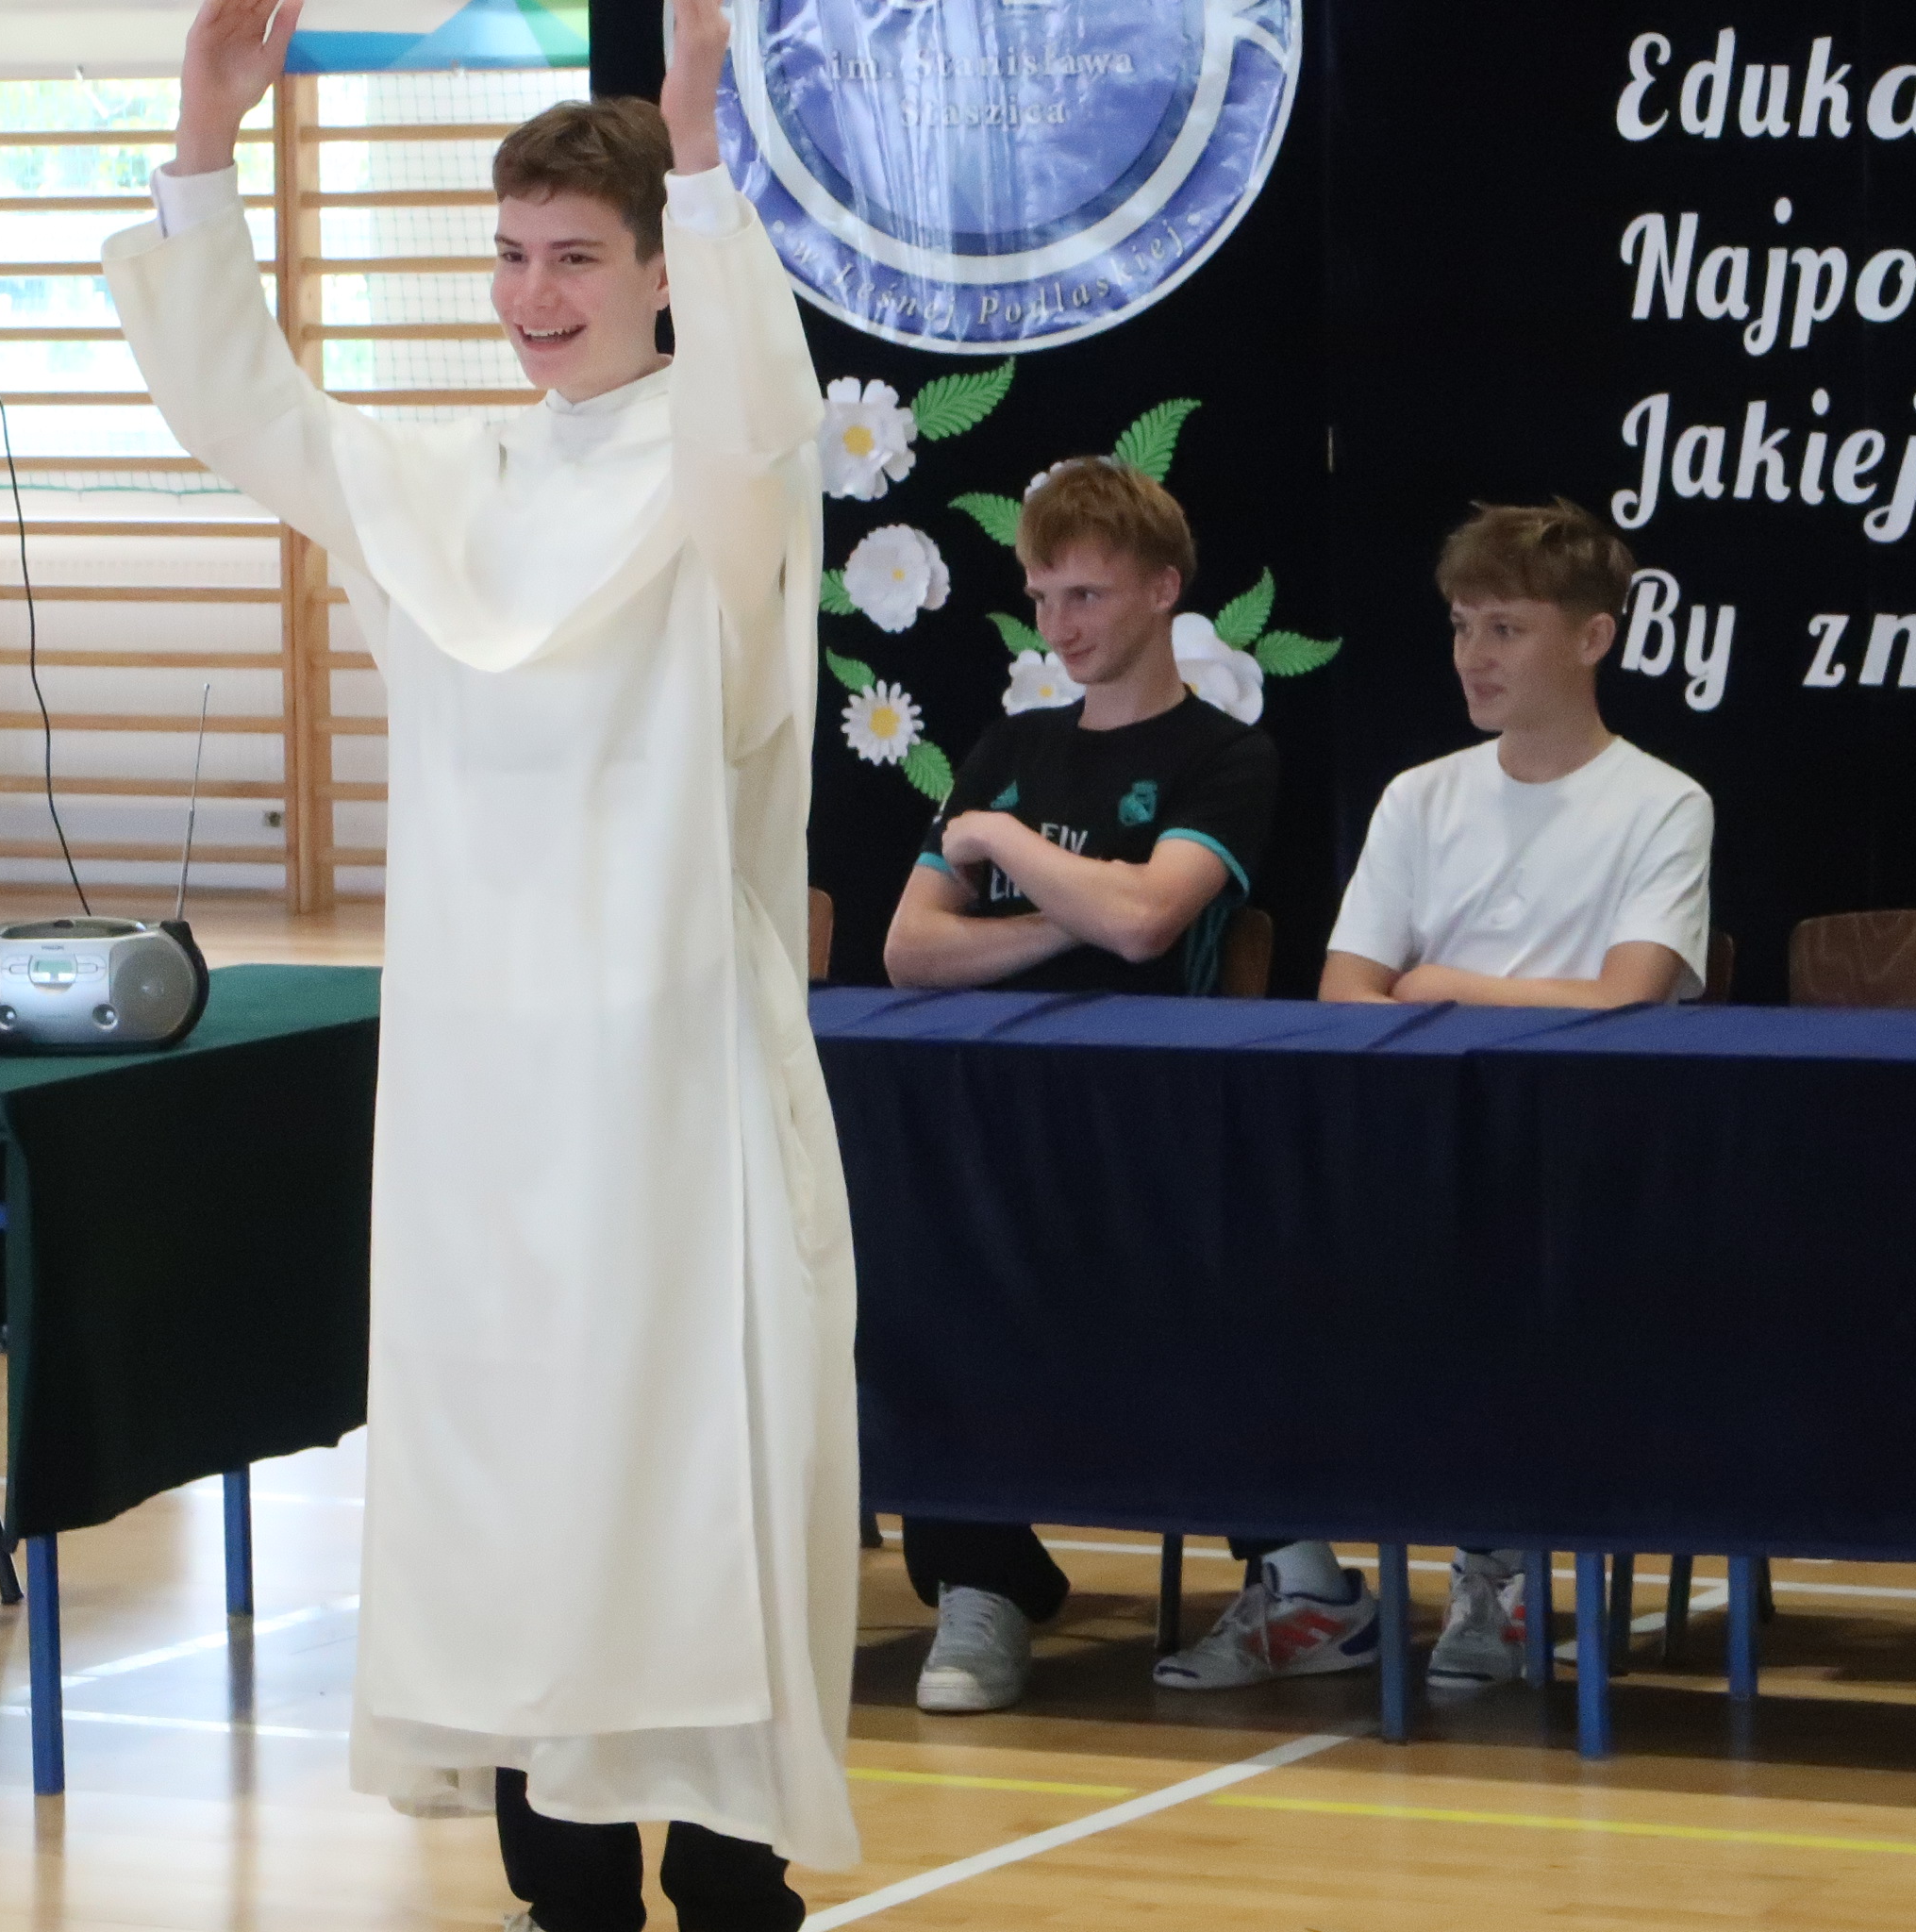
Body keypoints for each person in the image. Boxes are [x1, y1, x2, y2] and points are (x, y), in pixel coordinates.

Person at [112, 3, 857, 1925]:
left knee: (691, 1463)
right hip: (480, 1096)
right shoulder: (447, 484)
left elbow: (753, 406)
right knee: (516, 1480)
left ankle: (731, 1872)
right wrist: (203, 136)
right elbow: (242, 411)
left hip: (673, 1081)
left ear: (660, 273)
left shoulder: (727, 482)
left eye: (577, 257)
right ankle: (563, 1878)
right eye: (512, 254)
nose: (534, 296)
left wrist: (700, 146)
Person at [881, 457, 1312, 1712]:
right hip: (989, 1114)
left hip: (1151, 1122)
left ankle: (1296, 1569)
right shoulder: (1011, 744)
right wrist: (1078, 911)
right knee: (918, 1266)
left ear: (1164, 590)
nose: (1060, 626)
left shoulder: (1226, 756)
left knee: (1194, 1294)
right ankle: (983, 1583)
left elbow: (1150, 924)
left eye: (1087, 595)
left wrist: (1006, 848)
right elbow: (912, 949)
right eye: (1042, 597)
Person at [1315, 500, 1714, 1690]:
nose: (1474, 656)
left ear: (1593, 638)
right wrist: (1462, 1003)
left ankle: (1503, 1563)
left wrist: (1447, 984)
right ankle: (1302, 1574)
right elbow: (1345, 991)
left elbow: (1628, 996)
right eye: (1461, 626)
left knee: (1517, 1284)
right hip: (1422, 1141)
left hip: (1585, 1156)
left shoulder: (1663, 802)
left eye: (1506, 628)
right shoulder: (1418, 796)